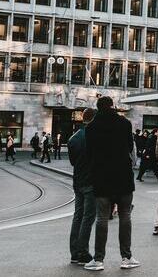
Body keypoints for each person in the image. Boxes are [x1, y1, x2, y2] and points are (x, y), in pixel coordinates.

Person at [83, 97, 140, 271]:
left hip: (102, 178)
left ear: (98, 108)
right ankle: (126, 257)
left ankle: (98, 259)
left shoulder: (91, 127)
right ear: (113, 106)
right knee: (125, 216)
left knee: (101, 218)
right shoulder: (124, 123)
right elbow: (130, 147)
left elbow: (89, 153)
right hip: (123, 176)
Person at [68, 108, 98, 266]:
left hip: (77, 181)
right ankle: (83, 252)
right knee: (88, 217)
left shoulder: (73, 138)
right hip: (91, 182)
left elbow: (73, 162)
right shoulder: (97, 137)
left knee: (78, 216)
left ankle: (74, 252)